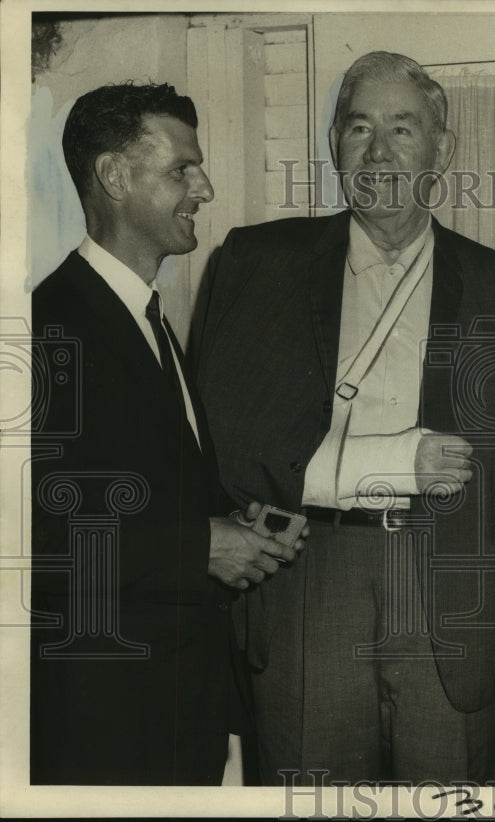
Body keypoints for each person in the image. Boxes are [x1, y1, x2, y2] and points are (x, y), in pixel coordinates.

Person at [191, 51, 495, 784]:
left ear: (442, 149)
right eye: (359, 130)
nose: (379, 153)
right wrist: (388, 459)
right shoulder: (260, 261)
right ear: (334, 145)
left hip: (452, 592)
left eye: (402, 129)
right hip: (307, 584)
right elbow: (222, 440)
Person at [30, 82, 305, 785]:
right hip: (104, 723)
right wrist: (199, 546)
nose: (204, 187)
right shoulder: (49, 324)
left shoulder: (148, 323)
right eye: (181, 168)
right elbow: (35, 532)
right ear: (115, 178)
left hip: (181, 710)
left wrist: (235, 525)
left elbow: (131, 495)